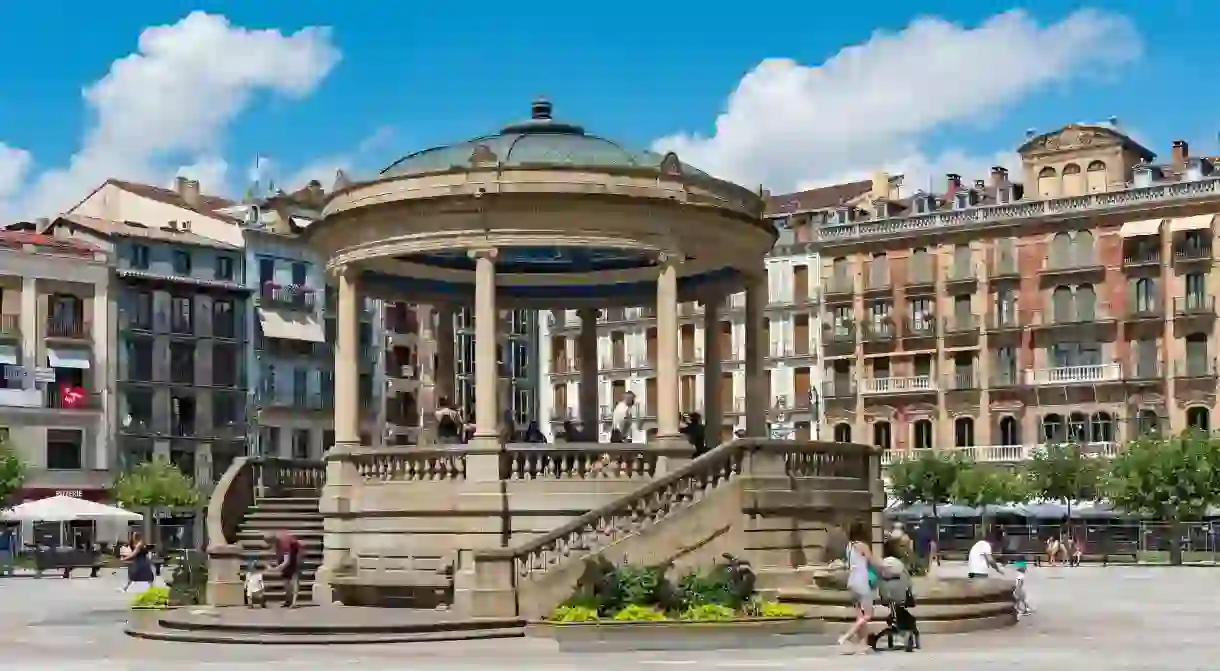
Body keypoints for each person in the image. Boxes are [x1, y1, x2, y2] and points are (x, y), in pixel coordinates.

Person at [838, 521, 885, 654]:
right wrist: (884, 567)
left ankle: (863, 646)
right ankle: (846, 636)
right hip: (862, 581)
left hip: (852, 581)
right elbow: (873, 561)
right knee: (868, 614)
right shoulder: (862, 546)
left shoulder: (849, 547)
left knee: (860, 616)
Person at [265, 531, 302, 608]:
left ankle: (294, 602)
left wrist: (274, 569)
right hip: (288, 553)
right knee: (286, 579)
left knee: (294, 578)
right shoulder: (276, 543)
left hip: (296, 553)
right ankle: (288, 600)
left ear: (274, 540)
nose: (269, 545)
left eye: (270, 543)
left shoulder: (284, 543)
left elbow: (286, 562)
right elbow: (279, 555)